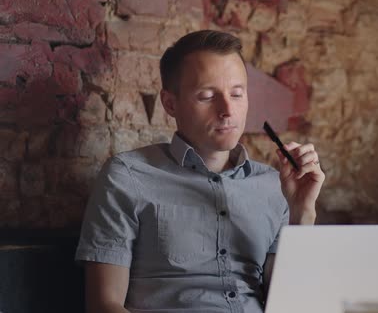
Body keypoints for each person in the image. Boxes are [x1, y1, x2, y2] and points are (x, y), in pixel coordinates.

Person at [75, 30, 325, 313]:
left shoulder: (273, 186)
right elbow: (103, 305)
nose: (227, 110)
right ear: (170, 104)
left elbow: (290, 304)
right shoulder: (127, 177)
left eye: (237, 94)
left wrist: (302, 212)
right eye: (207, 96)